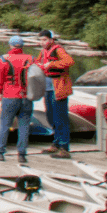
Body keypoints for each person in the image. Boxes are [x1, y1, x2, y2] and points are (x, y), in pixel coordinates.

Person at [0, 34, 37, 163]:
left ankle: (0, 152)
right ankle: (22, 155)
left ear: (10, 45)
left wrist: (0, 92)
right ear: (22, 46)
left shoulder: (4, 59)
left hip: (10, 96)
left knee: (5, 124)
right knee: (24, 126)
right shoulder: (31, 59)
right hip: (26, 96)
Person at [37, 29, 75, 158]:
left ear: (51, 40)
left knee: (61, 118)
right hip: (47, 89)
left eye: (45, 40)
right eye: (41, 40)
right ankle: (56, 143)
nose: (42, 43)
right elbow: (37, 63)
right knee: (51, 117)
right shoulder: (43, 52)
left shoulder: (58, 50)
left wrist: (52, 64)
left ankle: (64, 147)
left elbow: (69, 61)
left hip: (58, 89)